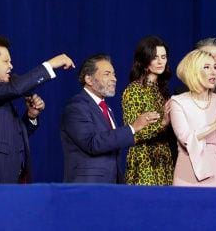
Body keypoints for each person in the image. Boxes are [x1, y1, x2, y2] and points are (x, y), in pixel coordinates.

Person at [0, 35, 74, 184]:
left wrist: (31, 116)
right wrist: (50, 65)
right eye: (6, 61)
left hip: (10, 178)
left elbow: (12, 137)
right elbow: (15, 88)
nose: (11, 66)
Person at [60, 54, 160, 183]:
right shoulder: (76, 107)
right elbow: (93, 143)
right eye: (107, 74)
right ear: (89, 79)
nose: (114, 79)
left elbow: (111, 145)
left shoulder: (106, 108)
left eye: (114, 74)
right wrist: (132, 127)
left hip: (110, 186)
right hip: (87, 188)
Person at [170, 48, 216, 186]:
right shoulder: (178, 102)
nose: (214, 71)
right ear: (193, 71)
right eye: (207, 67)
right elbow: (186, 138)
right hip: (186, 173)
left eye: (214, 67)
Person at [121, 36, 174, 185]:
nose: (160, 61)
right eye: (155, 57)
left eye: (163, 57)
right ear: (144, 60)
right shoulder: (133, 90)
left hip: (164, 157)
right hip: (143, 159)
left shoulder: (162, 91)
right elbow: (133, 132)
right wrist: (162, 123)